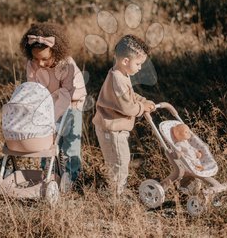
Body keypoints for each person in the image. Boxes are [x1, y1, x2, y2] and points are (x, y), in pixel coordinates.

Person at [20, 22, 87, 187]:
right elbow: (33, 88)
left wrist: (53, 116)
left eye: (45, 59)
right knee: (47, 142)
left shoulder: (67, 65)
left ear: (55, 52)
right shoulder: (32, 65)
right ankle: (49, 173)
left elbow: (67, 93)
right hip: (47, 105)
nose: (40, 63)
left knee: (70, 142)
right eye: (36, 58)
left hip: (72, 104)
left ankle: (71, 176)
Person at [92, 34, 156, 195]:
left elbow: (130, 96)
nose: (140, 67)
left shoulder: (120, 74)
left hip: (114, 128)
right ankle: (116, 195)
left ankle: (115, 190)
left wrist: (143, 101)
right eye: (138, 64)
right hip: (112, 129)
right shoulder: (117, 80)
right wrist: (142, 107)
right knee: (120, 162)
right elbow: (127, 107)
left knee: (118, 161)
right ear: (125, 61)